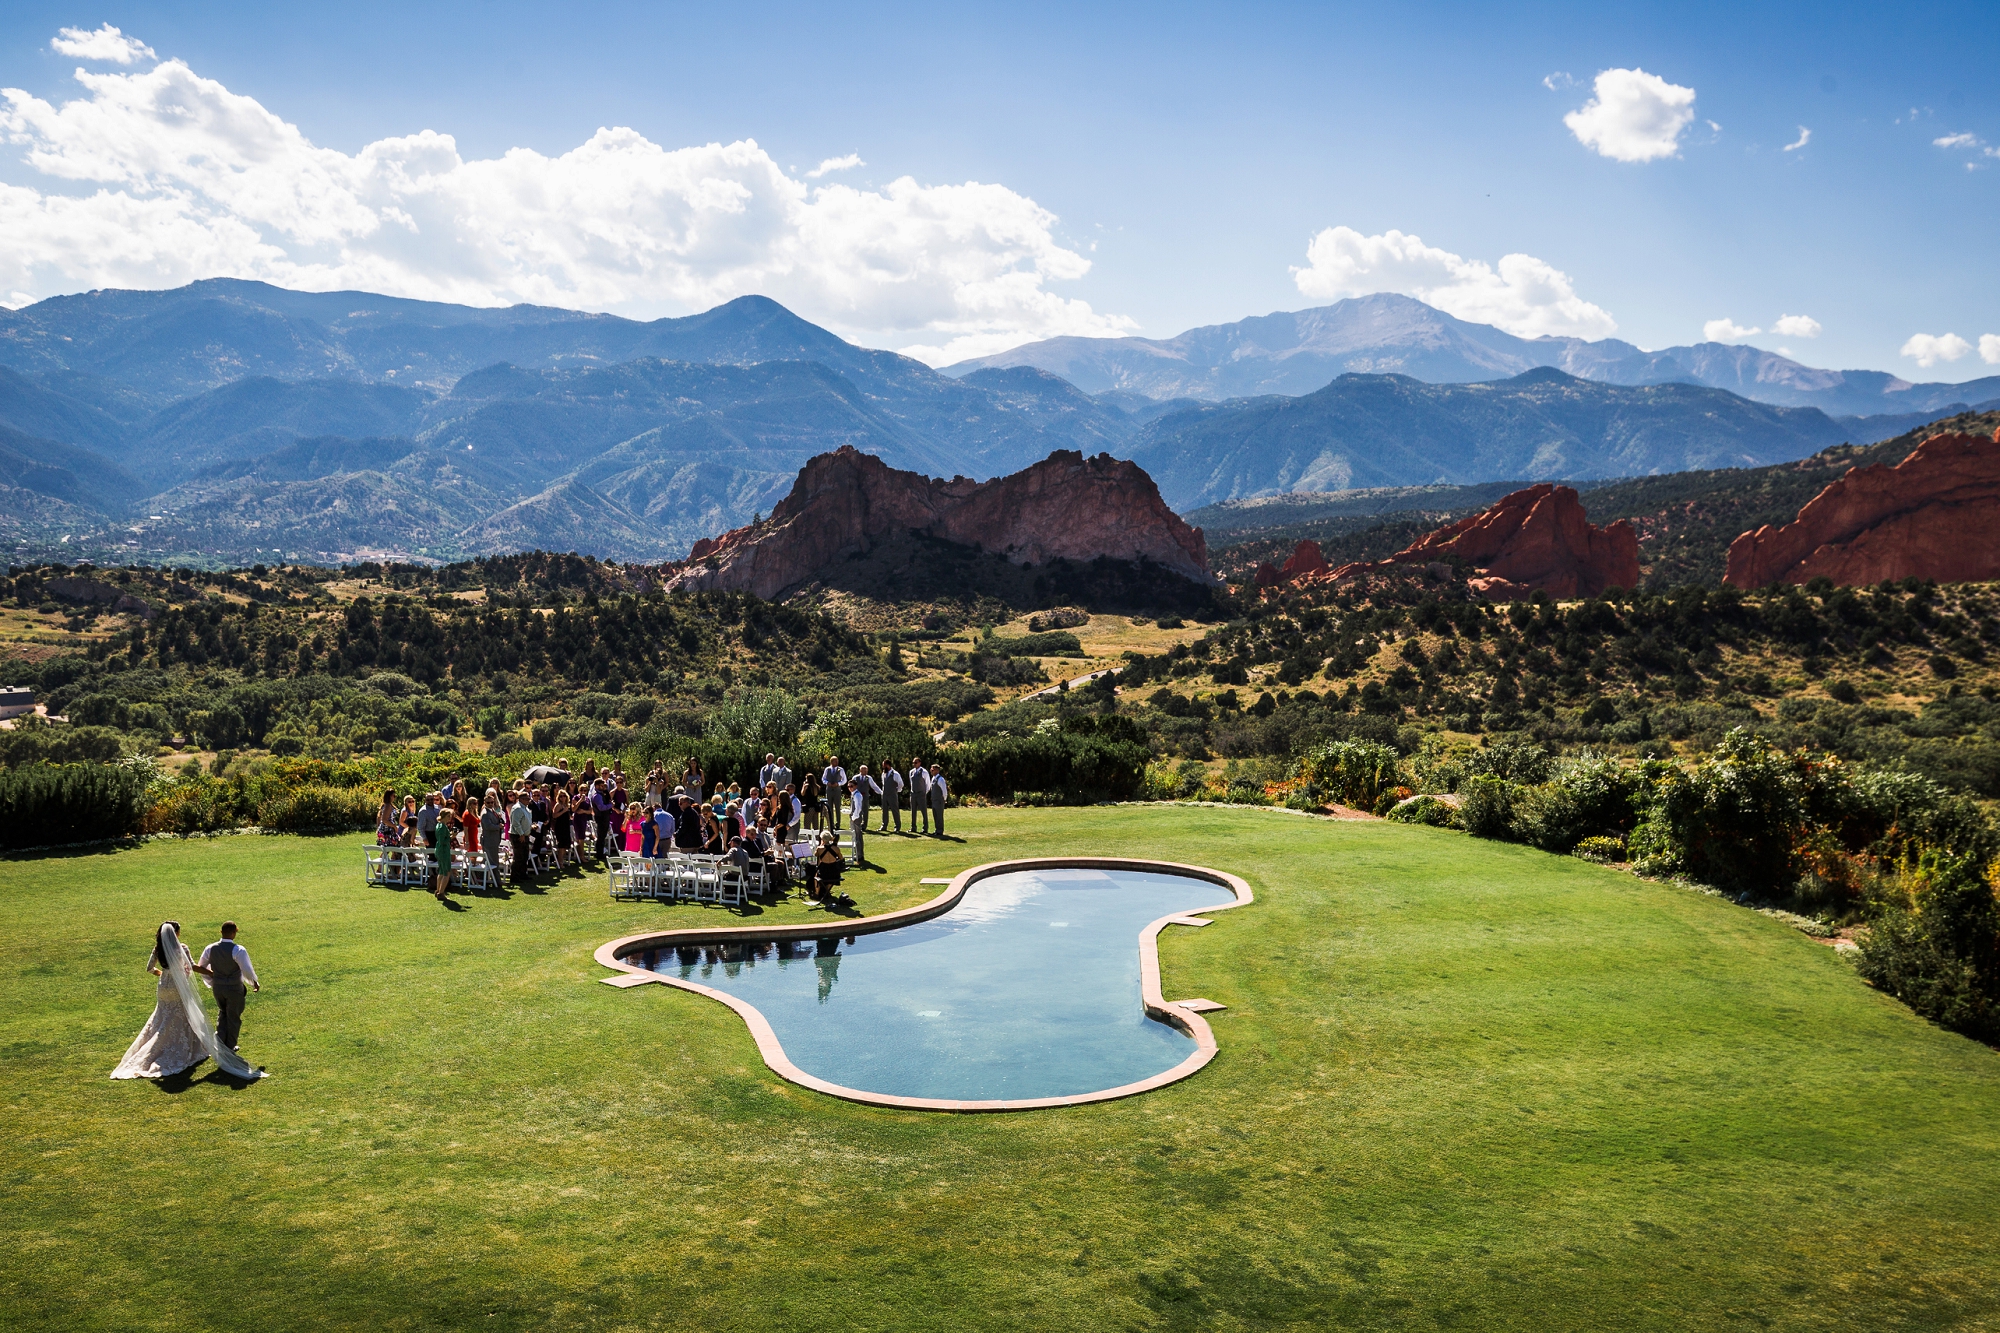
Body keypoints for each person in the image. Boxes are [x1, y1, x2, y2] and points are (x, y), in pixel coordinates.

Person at [112, 922, 263, 1082]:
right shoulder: (182, 947)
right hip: (179, 986)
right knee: (183, 1014)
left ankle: (161, 1043)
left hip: (164, 986)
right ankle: (186, 1046)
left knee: (163, 1015)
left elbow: (150, 968)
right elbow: (192, 966)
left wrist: (164, 974)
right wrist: (211, 973)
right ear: (175, 933)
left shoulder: (158, 949)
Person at [192, 921, 260, 1053]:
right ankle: (230, 1046)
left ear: (221, 932)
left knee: (223, 1013)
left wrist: (212, 979)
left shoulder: (210, 948)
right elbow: (247, 970)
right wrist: (254, 982)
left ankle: (220, 1041)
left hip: (218, 988)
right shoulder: (238, 950)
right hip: (234, 988)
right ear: (234, 933)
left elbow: (201, 967)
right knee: (233, 1017)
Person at [480, 792, 505, 876]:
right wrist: (498, 826)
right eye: (488, 802)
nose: (490, 804)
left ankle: (484, 878)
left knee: (490, 860)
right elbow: (488, 826)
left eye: (492, 802)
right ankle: (497, 880)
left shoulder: (492, 810)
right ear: (484, 803)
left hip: (494, 839)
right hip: (489, 840)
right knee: (494, 861)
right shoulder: (485, 813)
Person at [821, 756, 848, 830]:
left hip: (837, 790)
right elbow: (823, 779)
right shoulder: (827, 769)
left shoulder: (841, 769)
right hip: (829, 789)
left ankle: (838, 823)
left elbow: (844, 780)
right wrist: (827, 783)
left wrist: (838, 784)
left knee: (837, 807)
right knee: (829, 807)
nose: (836, 762)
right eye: (834, 761)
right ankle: (830, 823)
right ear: (831, 762)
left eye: (837, 761)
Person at [907, 759, 930, 836]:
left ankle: (925, 828)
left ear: (920, 763)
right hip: (913, 794)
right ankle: (913, 827)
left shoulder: (924, 772)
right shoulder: (911, 772)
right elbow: (911, 782)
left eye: (916, 763)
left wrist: (924, 793)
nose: (914, 764)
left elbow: (928, 784)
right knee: (913, 811)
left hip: (921, 794)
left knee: (923, 811)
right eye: (913, 763)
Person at [879, 760, 904, 833]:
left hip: (892, 794)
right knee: (884, 811)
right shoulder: (883, 773)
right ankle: (884, 825)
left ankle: (897, 826)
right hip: (885, 794)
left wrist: (896, 791)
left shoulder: (895, 774)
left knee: (895, 810)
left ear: (888, 765)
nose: (883, 767)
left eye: (884, 765)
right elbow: (884, 783)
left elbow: (901, 784)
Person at [928, 763, 949, 837]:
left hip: (939, 801)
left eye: (932, 769)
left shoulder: (940, 779)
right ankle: (937, 829)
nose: (931, 770)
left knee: (939, 816)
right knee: (935, 816)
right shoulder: (933, 778)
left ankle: (940, 830)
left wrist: (944, 799)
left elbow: (944, 791)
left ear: (937, 770)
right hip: (934, 800)